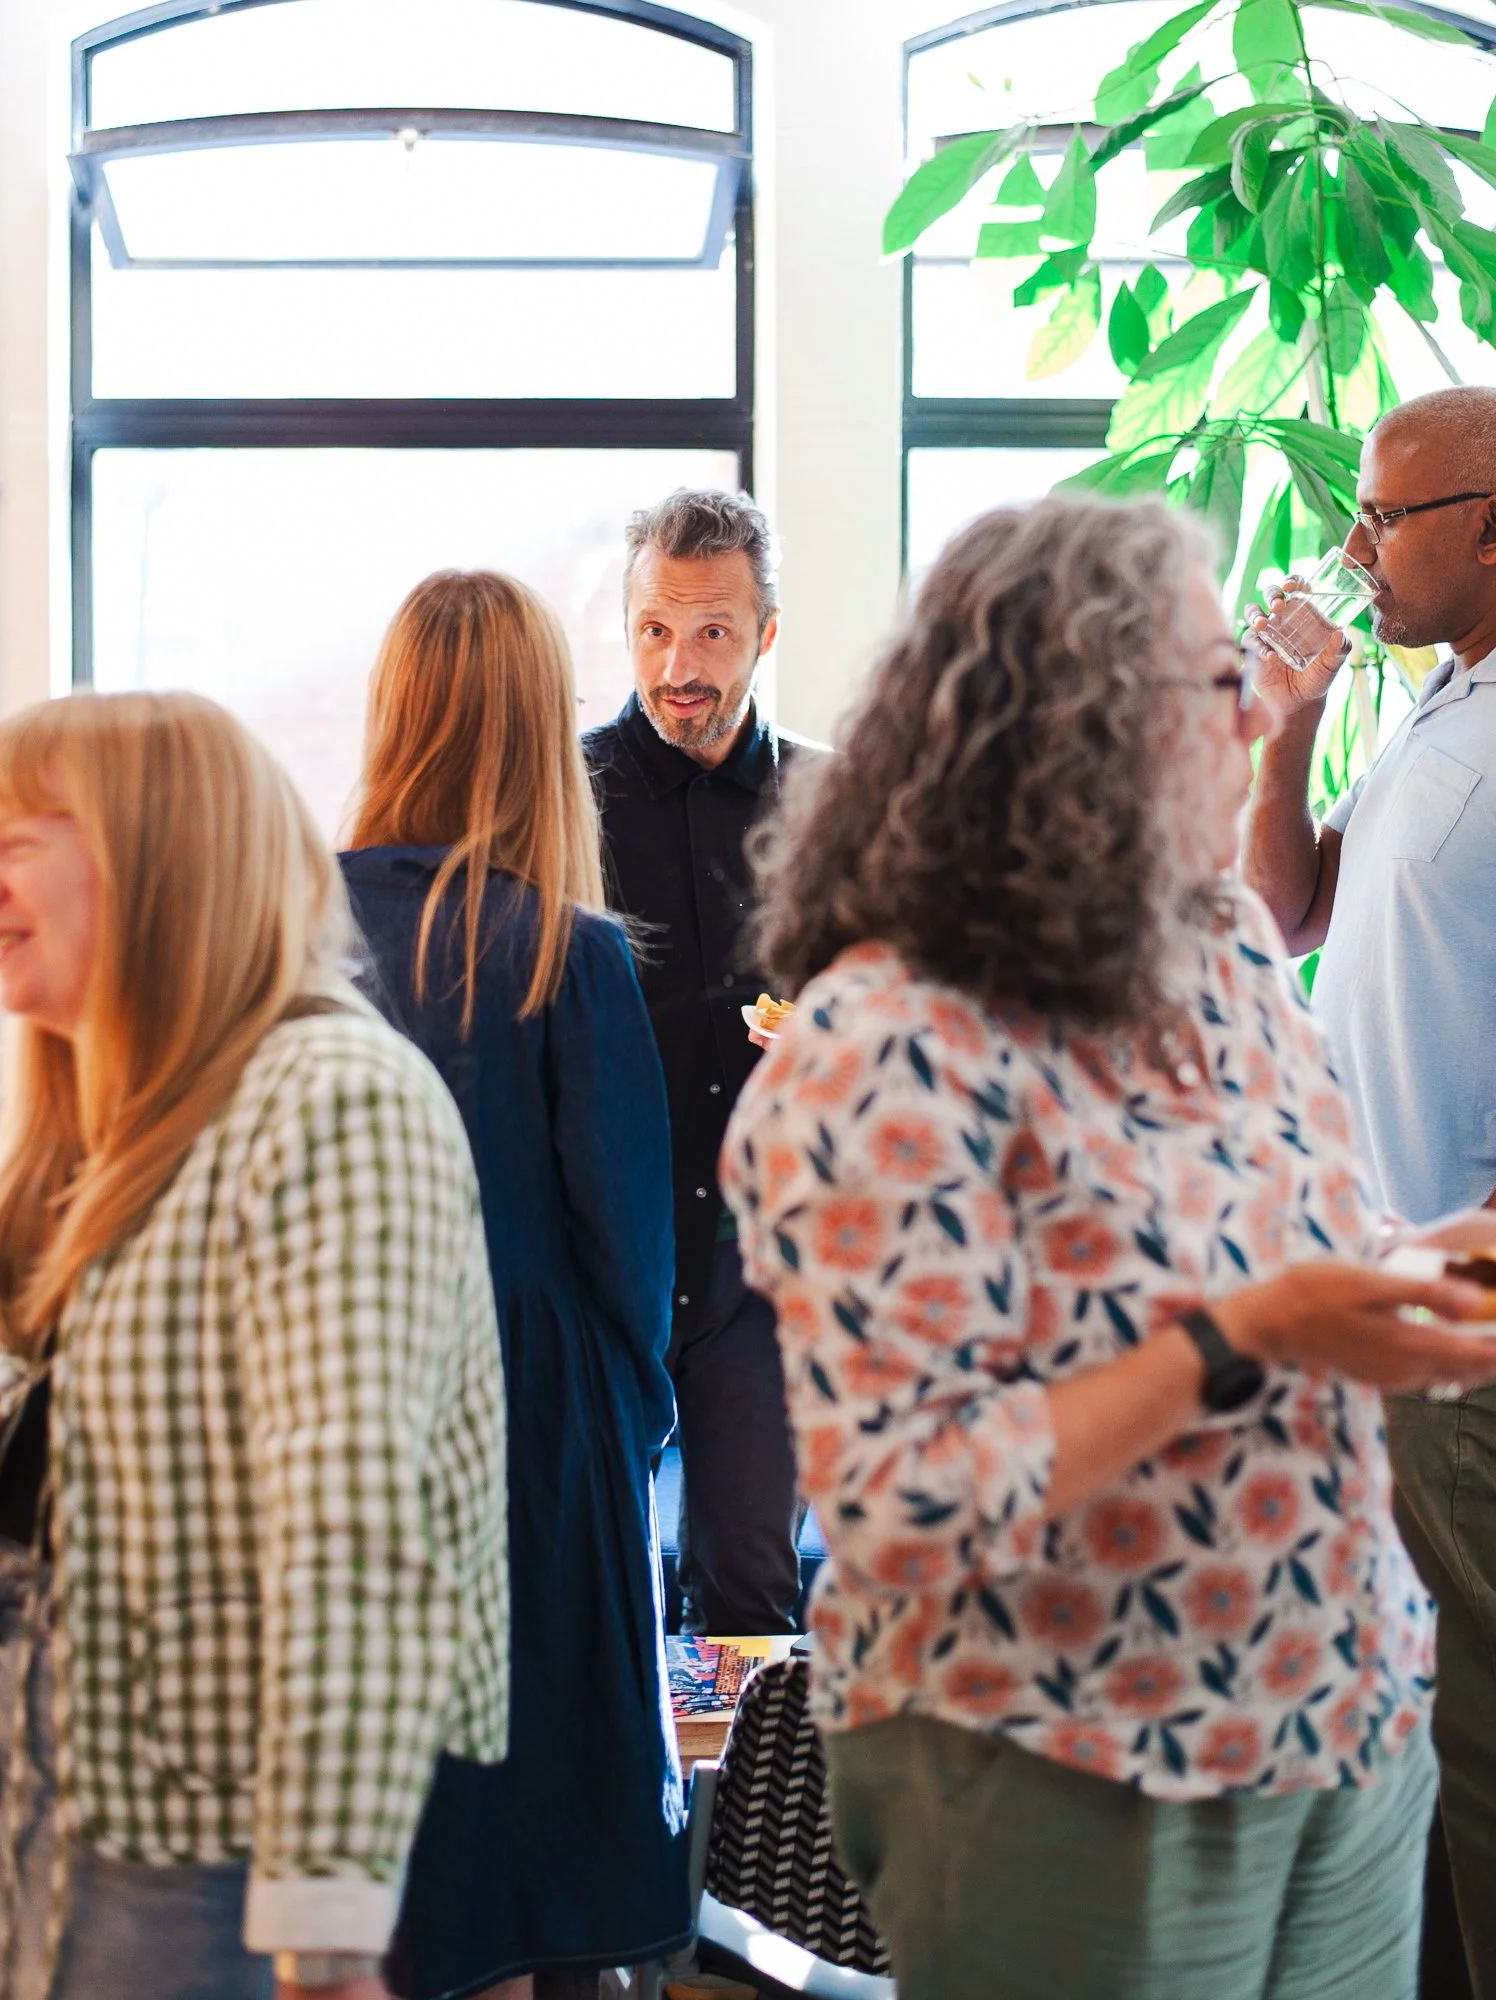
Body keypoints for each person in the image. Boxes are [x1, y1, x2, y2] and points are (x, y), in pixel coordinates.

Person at [719, 495, 1496, 2000]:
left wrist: (1430, 1264)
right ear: (1066, 722)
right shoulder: (885, 1045)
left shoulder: (1224, 952)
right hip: (1073, 1762)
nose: (1267, 708)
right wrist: (1245, 1336)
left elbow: (1315, 1248)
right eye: (1222, 682)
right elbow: (907, 1499)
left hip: (1344, 1715)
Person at [0, 691, 508, 2000]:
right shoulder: (137, 1119)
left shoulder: (331, 1103)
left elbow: (355, 1532)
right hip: (49, 1815)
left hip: (200, 1866)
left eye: (21, 836)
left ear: (161, 854)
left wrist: (327, 1936)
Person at [341, 571, 688, 2000]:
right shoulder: (567, 946)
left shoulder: (292, 928)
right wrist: (639, 1414)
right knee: (550, 1836)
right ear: (543, 730)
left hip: (345, 1410)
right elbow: (629, 1243)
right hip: (536, 1426)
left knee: (401, 1825)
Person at [1243, 384, 1496, 1994]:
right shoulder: (1432, 703)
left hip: (1460, 1331)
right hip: (1373, 1312)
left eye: (1386, 519)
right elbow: (1284, 910)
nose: (1355, 551)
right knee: (1399, 1754)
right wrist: (1285, 732)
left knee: (1470, 1759)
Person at [583, 488, 820, 1636]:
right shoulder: (555, 796)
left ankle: (748, 1825)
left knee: (749, 1600)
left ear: (766, 633)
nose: (680, 662)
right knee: (593, 1606)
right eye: (654, 629)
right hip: (597, 1263)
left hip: (763, 1272)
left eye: (714, 631)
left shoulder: (836, 803)